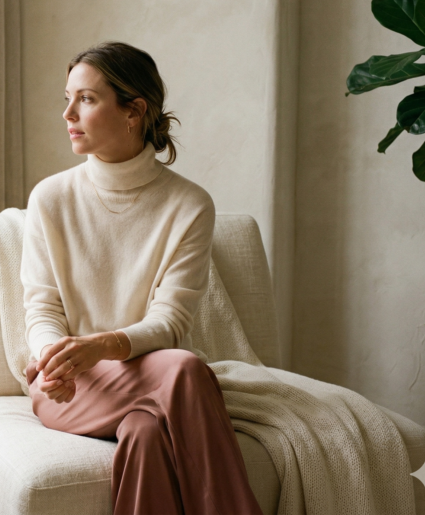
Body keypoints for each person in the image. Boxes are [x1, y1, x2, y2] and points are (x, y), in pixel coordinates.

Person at [21, 41, 263, 515]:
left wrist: (100, 345)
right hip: (69, 387)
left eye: (86, 99)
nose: (67, 113)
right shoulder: (50, 198)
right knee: (187, 370)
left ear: (134, 111)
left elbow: (170, 322)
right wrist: (56, 361)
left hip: (149, 378)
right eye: (67, 98)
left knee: (146, 432)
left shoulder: (189, 205)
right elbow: (42, 307)